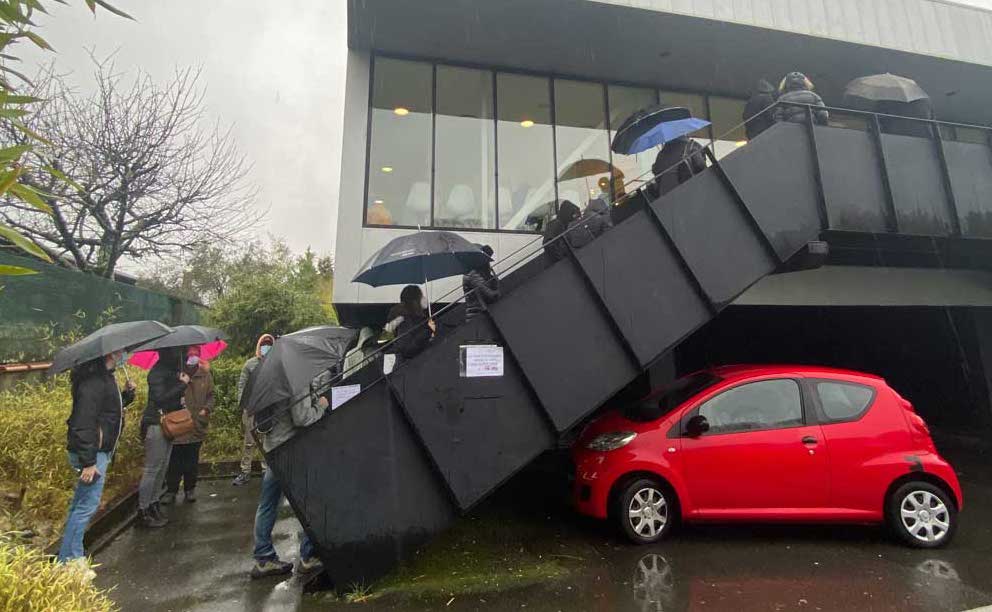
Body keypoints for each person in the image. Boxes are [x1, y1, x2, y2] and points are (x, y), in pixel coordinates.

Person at [57, 350, 135, 576]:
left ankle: (68, 557)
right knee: (85, 507)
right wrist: (89, 462)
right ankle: (70, 563)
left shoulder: (105, 376)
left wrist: (126, 396)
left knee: (80, 505)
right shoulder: (93, 381)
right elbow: (83, 423)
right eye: (121, 352)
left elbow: (108, 412)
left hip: (98, 451)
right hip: (93, 453)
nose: (125, 355)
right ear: (110, 353)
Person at [249, 374, 331, 578]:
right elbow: (302, 418)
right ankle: (308, 555)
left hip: (273, 447)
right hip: (290, 449)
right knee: (312, 500)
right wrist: (320, 404)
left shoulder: (272, 379)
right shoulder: (297, 381)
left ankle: (263, 557)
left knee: (267, 504)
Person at [137, 347, 188, 528]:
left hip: (168, 423)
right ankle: (143, 510)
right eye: (178, 352)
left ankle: (154, 503)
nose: (181, 355)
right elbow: (159, 398)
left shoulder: (171, 370)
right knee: (152, 469)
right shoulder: (156, 373)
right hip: (156, 423)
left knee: (162, 467)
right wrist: (181, 385)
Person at [162, 346, 214, 505]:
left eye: (195, 353)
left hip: (197, 422)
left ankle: (190, 489)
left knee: (192, 459)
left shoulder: (205, 373)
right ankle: (171, 490)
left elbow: (211, 395)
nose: (192, 355)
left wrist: (206, 409)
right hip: (179, 423)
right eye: (189, 352)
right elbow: (167, 395)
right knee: (175, 459)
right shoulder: (177, 373)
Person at [233, 333, 274, 486]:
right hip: (250, 408)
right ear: (259, 346)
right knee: (249, 442)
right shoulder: (250, 364)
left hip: (267, 408)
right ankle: (245, 471)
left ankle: (266, 470)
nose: (266, 347)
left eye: (269, 344)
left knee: (266, 441)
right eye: (264, 344)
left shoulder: (274, 364)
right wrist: (243, 406)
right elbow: (241, 386)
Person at [387, 285, 436, 361]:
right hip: (411, 366)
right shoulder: (406, 320)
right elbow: (407, 348)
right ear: (415, 301)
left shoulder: (417, 318)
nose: (424, 299)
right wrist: (428, 331)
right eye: (421, 296)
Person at [463, 244, 500, 322]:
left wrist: (493, 276)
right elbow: (491, 295)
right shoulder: (472, 275)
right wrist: (496, 287)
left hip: (481, 313)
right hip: (476, 315)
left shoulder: (482, 274)